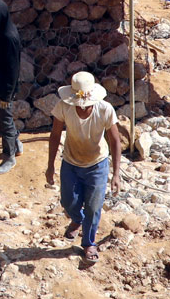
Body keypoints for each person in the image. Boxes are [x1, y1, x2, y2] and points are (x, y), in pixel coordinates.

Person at [45, 71, 122, 263]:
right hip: (71, 161)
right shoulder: (64, 107)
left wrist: (116, 174)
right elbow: (55, 135)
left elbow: (115, 140)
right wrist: (50, 166)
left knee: (93, 206)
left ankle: (88, 243)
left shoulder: (104, 109)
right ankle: (77, 219)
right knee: (68, 201)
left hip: (97, 164)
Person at [0, 0, 22, 175]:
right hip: (0, 84)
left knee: (5, 122)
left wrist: (6, 95)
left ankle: (9, 157)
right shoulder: (3, 32)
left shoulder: (7, 37)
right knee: (5, 118)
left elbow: (12, 69)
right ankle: (16, 145)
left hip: (5, 89)